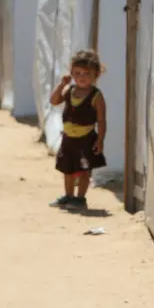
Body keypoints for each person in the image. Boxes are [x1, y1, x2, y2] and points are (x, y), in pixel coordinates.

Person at [48, 49, 107, 211]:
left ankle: (80, 199)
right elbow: (54, 101)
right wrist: (61, 85)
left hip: (86, 138)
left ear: (96, 74)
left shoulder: (96, 96)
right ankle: (68, 196)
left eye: (87, 73)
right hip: (68, 138)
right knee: (67, 168)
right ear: (72, 74)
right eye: (78, 73)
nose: (82, 77)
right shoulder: (70, 91)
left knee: (84, 170)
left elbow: (101, 120)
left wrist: (100, 140)